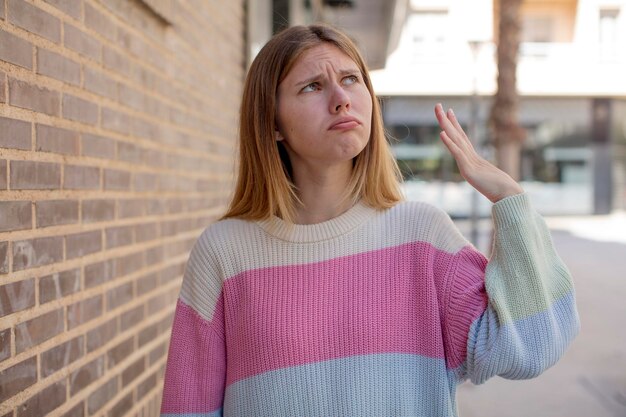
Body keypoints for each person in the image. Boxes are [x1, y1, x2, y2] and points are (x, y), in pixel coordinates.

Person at [160, 24, 579, 417]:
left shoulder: (422, 236)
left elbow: (527, 346)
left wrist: (510, 200)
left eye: (350, 79)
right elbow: (188, 407)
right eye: (312, 86)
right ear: (272, 124)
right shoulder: (223, 251)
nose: (341, 99)